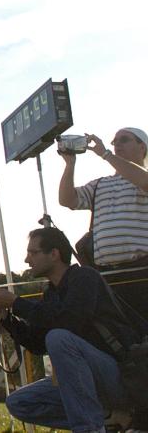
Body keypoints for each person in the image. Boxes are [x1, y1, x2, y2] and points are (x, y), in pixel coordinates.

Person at [0, 225, 138, 432]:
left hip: (120, 373)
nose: (27, 260)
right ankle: (110, 417)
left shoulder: (85, 278)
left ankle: (89, 428)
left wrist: (16, 302)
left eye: (32, 253)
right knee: (20, 402)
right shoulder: (51, 292)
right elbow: (38, 344)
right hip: (85, 381)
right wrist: (6, 316)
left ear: (54, 254)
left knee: (59, 338)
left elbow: (71, 320)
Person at [58, 126, 148, 319]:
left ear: (143, 147)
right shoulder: (100, 184)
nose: (117, 145)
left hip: (142, 272)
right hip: (106, 275)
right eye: (115, 142)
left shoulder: (143, 178)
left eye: (124, 139)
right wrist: (70, 164)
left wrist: (105, 154)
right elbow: (68, 200)